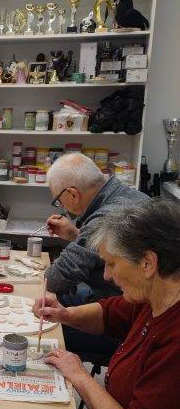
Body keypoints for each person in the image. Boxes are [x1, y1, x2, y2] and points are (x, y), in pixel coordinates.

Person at [33, 200, 180, 409]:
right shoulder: (156, 298)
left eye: (112, 264)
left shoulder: (174, 341)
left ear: (148, 263)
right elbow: (113, 313)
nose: (107, 275)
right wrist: (65, 314)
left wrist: (80, 377)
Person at [45, 152, 148, 357]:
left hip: (127, 321)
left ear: (73, 194)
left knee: (47, 330)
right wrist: (76, 235)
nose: (62, 207)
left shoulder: (107, 216)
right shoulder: (127, 196)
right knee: (53, 303)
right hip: (130, 307)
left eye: (59, 201)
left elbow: (56, 278)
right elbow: (104, 254)